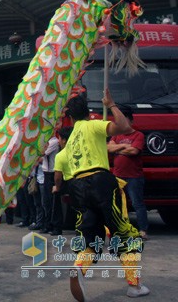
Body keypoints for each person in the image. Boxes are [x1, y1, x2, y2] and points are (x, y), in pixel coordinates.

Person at [64, 91, 149, 301]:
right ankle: (134, 286)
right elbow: (124, 127)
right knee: (124, 233)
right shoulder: (92, 125)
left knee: (90, 239)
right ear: (87, 113)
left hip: (77, 187)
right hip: (100, 183)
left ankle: (79, 268)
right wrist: (111, 105)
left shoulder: (71, 138)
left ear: (70, 116)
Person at [107, 109, 148, 240]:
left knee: (137, 204)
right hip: (117, 175)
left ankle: (143, 230)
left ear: (131, 121)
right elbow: (108, 148)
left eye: (124, 121)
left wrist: (118, 148)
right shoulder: (116, 135)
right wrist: (124, 147)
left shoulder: (138, 135)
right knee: (118, 204)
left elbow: (134, 151)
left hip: (134, 177)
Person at [51, 126, 74, 235]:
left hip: (69, 182)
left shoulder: (60, 155)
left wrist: (57, 187)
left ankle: (57, 227)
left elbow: (58, 177)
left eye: (59, 138)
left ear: (64, 140)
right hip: (82, 181)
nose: (58, 141)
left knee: (56, 195)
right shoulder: (79, 151)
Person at [40, 135, 60, 234]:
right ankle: (47, 225)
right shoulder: (46, 141)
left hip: (52, 173)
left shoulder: (53, 142)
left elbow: (42, 153)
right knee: (46, 202)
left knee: (52, 202)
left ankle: (54, 226)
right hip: (46, 173)